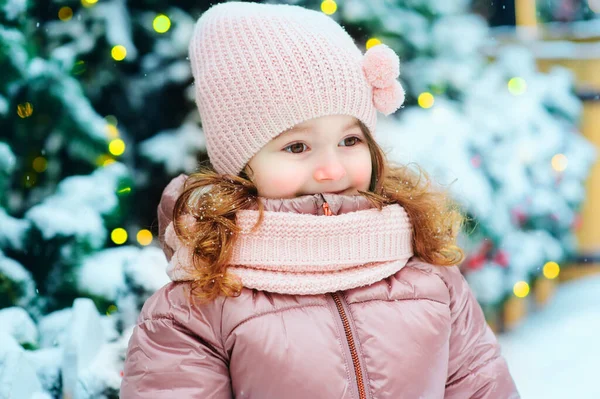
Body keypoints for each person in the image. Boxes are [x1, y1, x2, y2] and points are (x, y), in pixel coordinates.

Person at [120, 2, 519, 398]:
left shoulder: (427, 275)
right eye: (296, 147)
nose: (331, 169)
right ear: (240, 166)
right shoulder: (200, 305)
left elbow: (480, 387)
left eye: (350, 140)